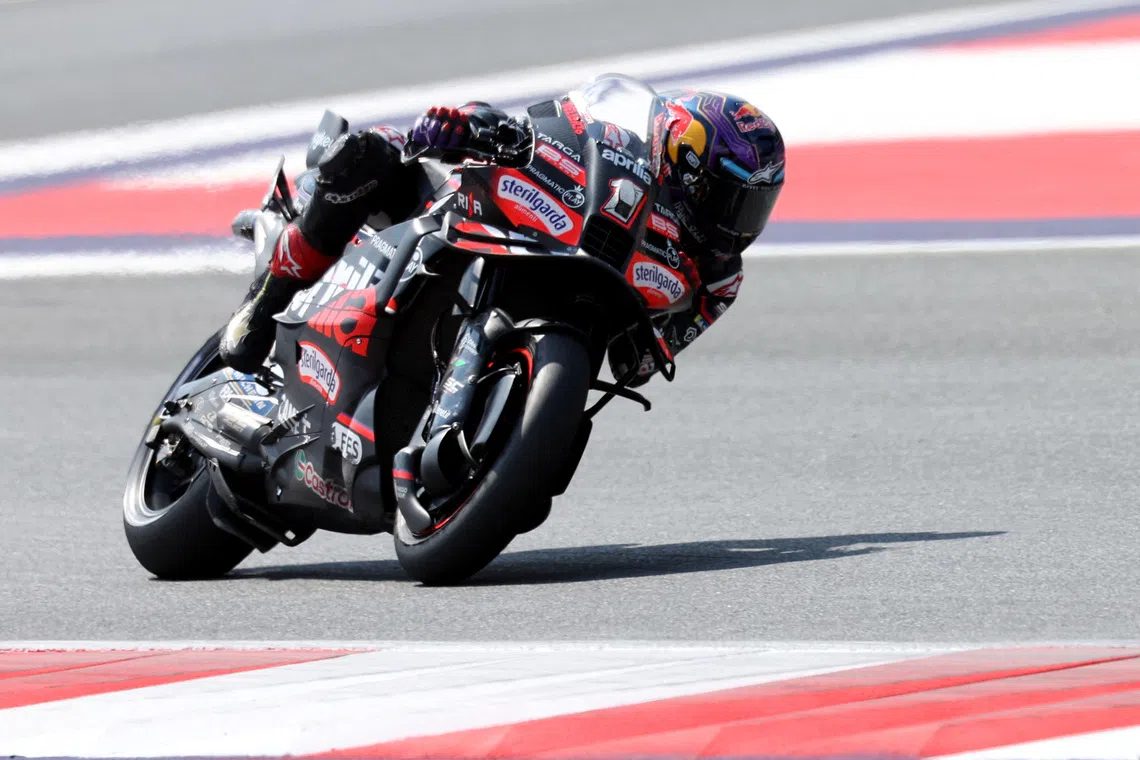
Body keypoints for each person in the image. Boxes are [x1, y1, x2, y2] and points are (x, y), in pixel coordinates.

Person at [220, 82, 785, 386]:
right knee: (370, 154)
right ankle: (265, 300)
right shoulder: (618, 149)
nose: (740, 222)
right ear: (684, 167)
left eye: (755, 206)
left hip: (566, 306)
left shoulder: (716, 278)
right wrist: (472, 125)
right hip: (463, 219)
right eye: (732, 199)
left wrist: (646, 336)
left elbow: (637, 364)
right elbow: (537, 125)